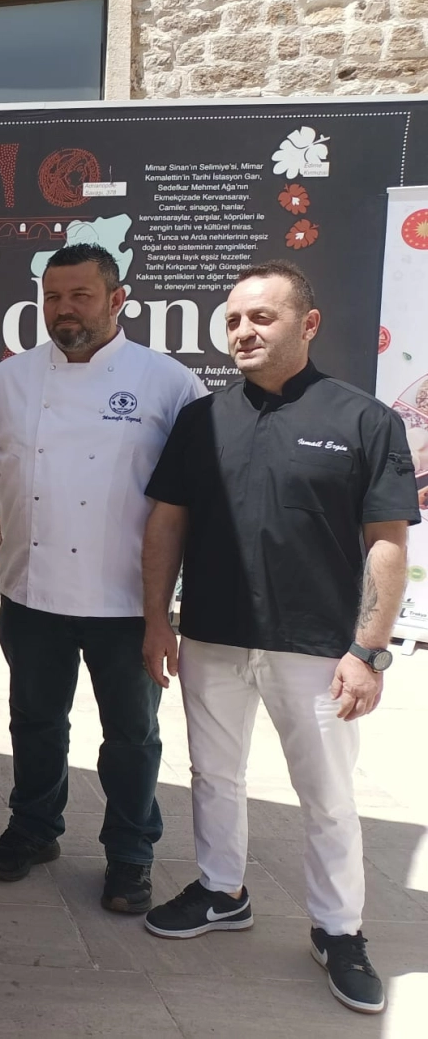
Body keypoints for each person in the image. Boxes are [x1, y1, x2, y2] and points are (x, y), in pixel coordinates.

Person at [141, 261, 411, 1015]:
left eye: (261, 316)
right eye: (232, 320)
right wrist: (156, 619)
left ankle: (339, 930)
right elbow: (166, 522)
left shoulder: (364, 421)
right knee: (212, 775)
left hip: (318, 649)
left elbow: (387, 542)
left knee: (326, 796)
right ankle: (221, 891)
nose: (242, 331)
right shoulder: (201, 420)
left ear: (308, 324)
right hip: (213, 637)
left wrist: (368, 651)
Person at [0, 243, 206, 912]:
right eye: (52, 297)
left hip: (129, 598)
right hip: (32, 589)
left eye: (79, 295)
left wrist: (167, 610)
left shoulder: (168, 382)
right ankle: (33, 827)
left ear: (116, 300)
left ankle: (130, 854)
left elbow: (189, 492)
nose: (63, 309)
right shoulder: (10, 380)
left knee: (131, 736)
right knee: (34, 721)